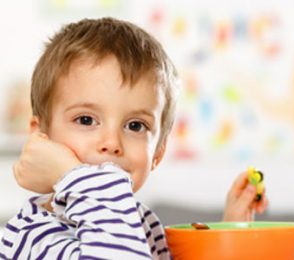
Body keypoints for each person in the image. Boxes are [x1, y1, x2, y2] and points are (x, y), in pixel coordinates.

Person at [0, 17, 268, 260]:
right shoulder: (36, 236)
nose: (112, 142)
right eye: (85, 120)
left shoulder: (135, 219)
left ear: (158, 153)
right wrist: (73, 175)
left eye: (135, 125)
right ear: (41, 137)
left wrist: (232, 230)